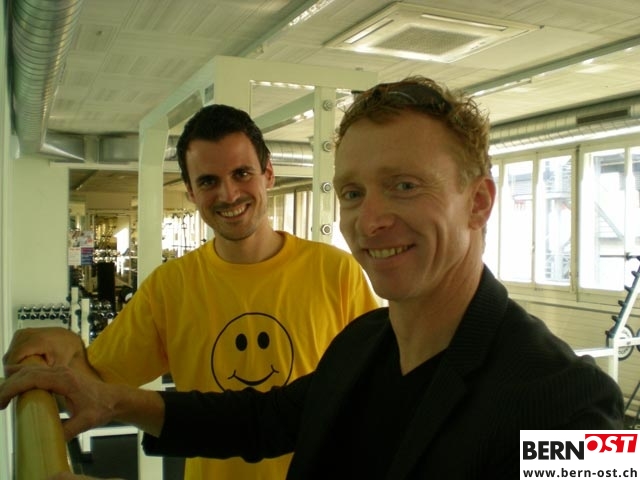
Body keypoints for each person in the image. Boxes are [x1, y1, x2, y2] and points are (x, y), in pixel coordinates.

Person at [1, 76, 624, 479]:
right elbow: (258, 421)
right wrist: (109, 397)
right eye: (352, 193)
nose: (370, 221)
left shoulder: (574, 404)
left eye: (405, 185)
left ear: (479, 201)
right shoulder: (363, 346)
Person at [2, 105, 379, 480]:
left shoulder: (336, 271)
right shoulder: (170, 287)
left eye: (242, 173)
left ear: (268, 174)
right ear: (191, 192)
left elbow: (373, 386)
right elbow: (98, 381)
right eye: (208, 181)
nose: (229, 194)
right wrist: (66, 347)